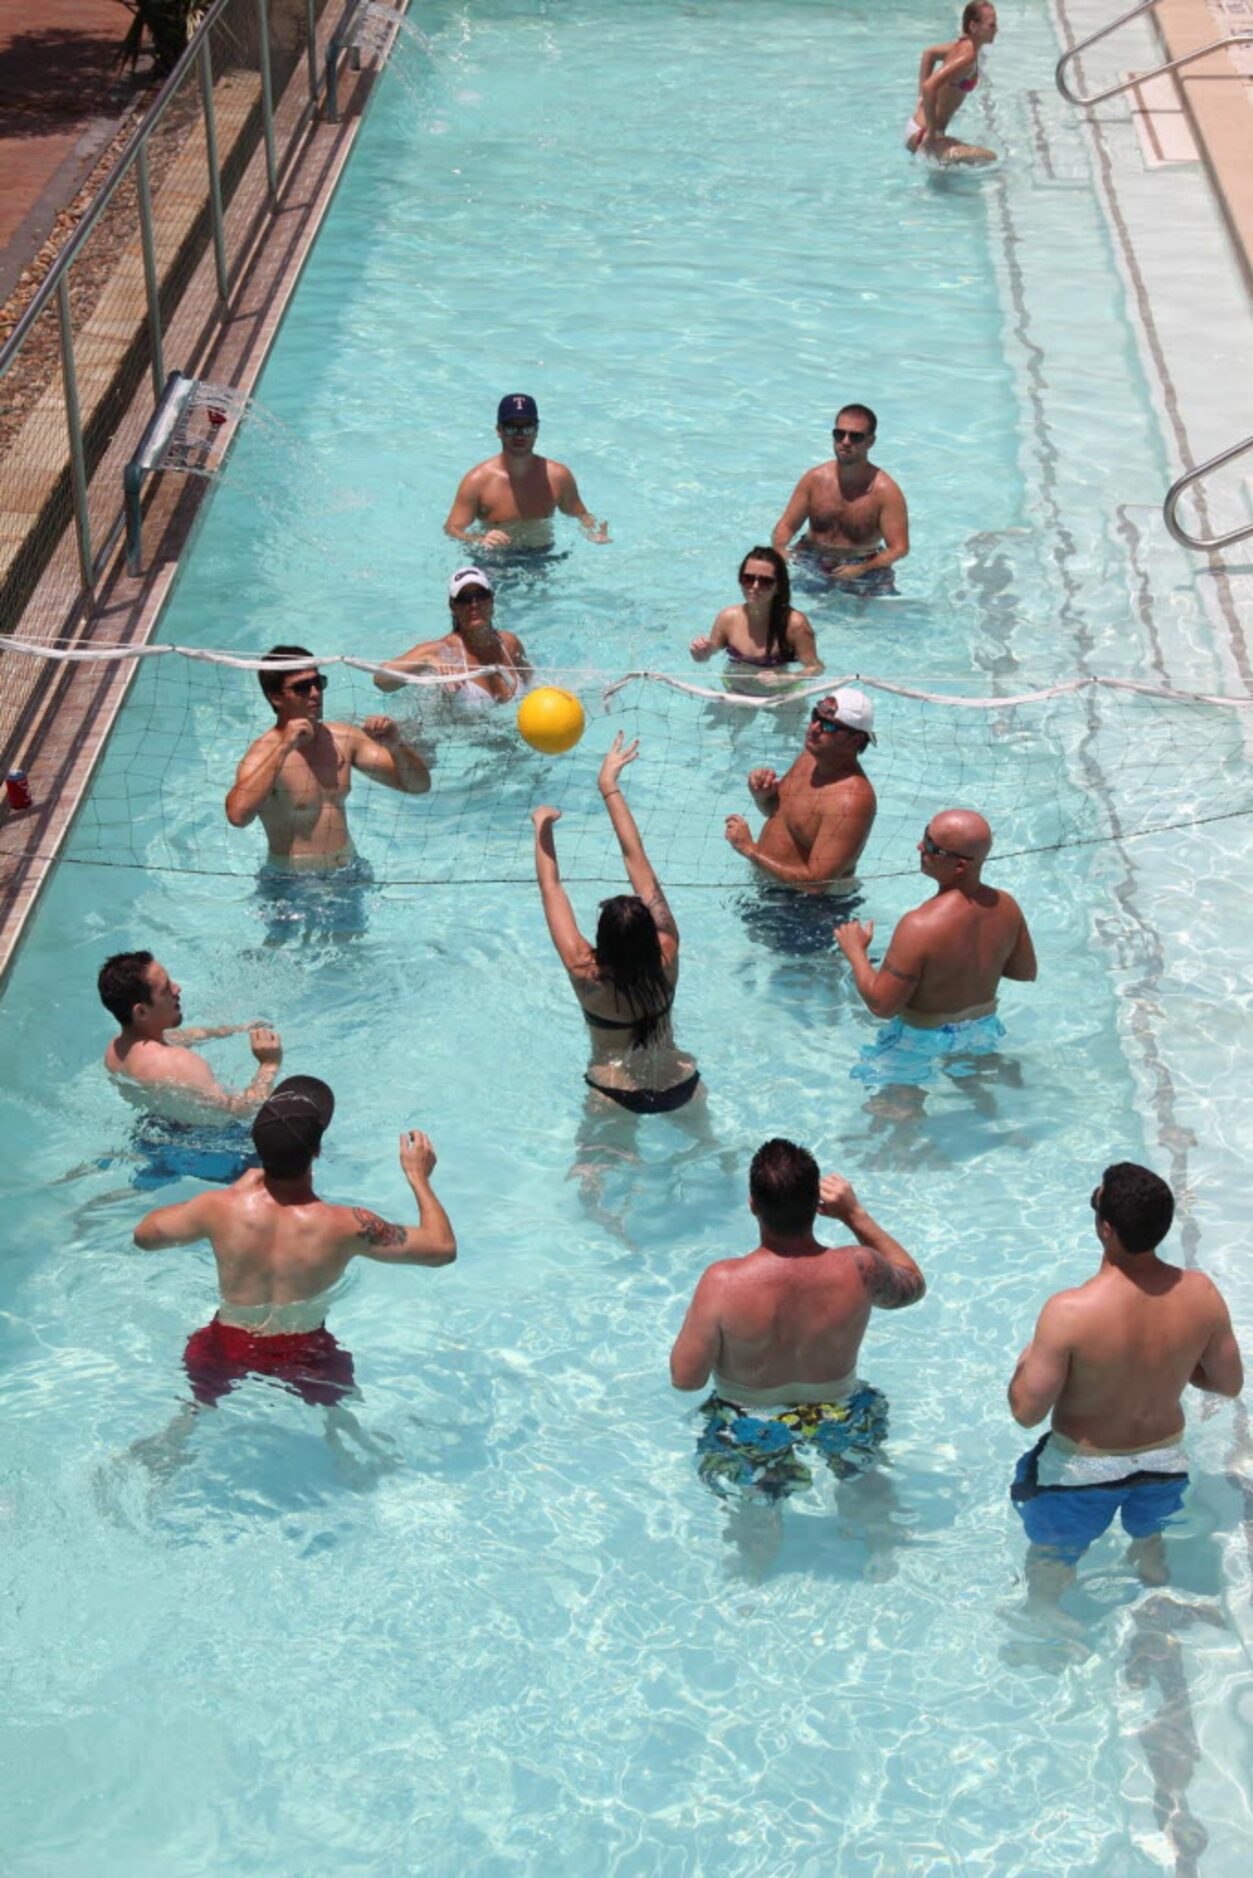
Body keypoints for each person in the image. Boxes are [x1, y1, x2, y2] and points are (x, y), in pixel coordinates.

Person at [133, 1076, 456, 1417]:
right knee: (341, 1421)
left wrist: (226, 1196)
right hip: (307, 1350)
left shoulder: (218, 1208)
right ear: (316, 1151)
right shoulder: (348, 1225)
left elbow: (144, 1236)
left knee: (192, 1413)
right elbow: (442, 1249)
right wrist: (418, 1177)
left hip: (226, 1343)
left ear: (258, 1149)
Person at [1008, 1163, 1242, 1593]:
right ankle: (1154, 1588)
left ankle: (1044, 1617)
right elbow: (1228, 1385)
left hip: (1082, 1468)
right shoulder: (1201, 1292)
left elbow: (1026, 1412)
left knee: (1053, 1558)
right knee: (1150, 1539)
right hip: (1164, 1461)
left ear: (1106, 1229)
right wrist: (1178, 1365)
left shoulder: (1069, 1311)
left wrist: (1024, 1363)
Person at [670, 1142, 925, 1507]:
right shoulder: (860, 1268)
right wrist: (855, 1215)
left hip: (750, 1424)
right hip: (842, 1412)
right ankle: (880, 1556)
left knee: (756, 1520)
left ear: (753, 1204)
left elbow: (686, 1379)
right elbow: (912, 1284)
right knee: (870, 1500)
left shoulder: (723, 1282)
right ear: (817, 1207)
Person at [531, 734, 700, 1114]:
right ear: (651, 937)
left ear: (600, 941)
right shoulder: (667, 953)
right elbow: (635, 857)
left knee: (593, 1169)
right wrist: (609, 787)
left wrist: (542, 825)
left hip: (612, 1090)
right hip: (679, 1080)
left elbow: (550, 887)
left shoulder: (584, 971)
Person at [836, 808, 1036, 1085]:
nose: (920, 847)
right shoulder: (1007, 906)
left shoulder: (919, 926)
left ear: (960, 866)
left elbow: (882, 1006)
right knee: (980, 1101)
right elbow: (1025, 971)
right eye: (925, 837)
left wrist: (855, 951)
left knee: (893, 1110)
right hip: (982, 1030)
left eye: (931, 846)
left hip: (921, 1037)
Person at [225, 646, 431, 872]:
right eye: (302, 687)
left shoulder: (343, 740)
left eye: (318, 683)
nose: (315, 693)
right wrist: (284, 747)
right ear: (276, 697)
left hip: (348, 870)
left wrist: (396, 745)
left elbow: (419, 786)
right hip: (291, 882)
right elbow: (237, 817)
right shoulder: (264, 754)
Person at [97, 951, 281, 1186]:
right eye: (165, 989)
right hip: (210, 1151)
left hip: (154, 1132)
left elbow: (183, 1036)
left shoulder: (116, 1049)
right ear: (141, 1011)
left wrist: (235, 1029)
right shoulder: (179, 1063)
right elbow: (242, 1110)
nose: (177, 988)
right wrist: (269, 1064)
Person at [725, 689, 877, 899]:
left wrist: (749, 849)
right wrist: (762, 796)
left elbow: (817, 883)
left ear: (855, 740)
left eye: (829, 725)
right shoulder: (809, 759)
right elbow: (777, 814)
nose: (814, 728)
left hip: (809, 910)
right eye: (816, 716)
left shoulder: (851, 800)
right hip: (771, 887)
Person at [443, 394, 609, 552]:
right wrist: (478, 540)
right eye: (511, 428)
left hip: (542, 555)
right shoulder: (478, 481)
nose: (520, 435)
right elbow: (452, 528)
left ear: (536, 431)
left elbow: (581, 515)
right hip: (495, 558)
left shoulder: (558, 477)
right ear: (499, 430)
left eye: (527, 428)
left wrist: (594, 533)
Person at [771, 406, 909, 595]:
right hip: (810, 556)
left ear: (870, 442)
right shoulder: (814, 479)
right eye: (839, 434)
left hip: (863, 563)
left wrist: (861, 569)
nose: (845, 442)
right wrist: (780, 549)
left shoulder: (886, 493)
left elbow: (899, 548)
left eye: (856, 436)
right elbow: (786, 525)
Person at [373, 567, 531, 708]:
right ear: (453, 607)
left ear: (491, 601)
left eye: (480, 595)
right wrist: (426, 661)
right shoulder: (440, 651)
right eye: (464, 599)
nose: (474, 604)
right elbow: (381, 681)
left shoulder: (510, 644)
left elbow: (530, 687)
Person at [689, 546, 822, 693]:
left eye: (765, 581)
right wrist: (699, 652)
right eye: (748, 579)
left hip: (782, 691)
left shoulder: (794, 624)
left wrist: (788, 678)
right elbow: (704, 658)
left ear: (778, 586)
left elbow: (815, 668)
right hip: (737, 687)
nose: (755, 586)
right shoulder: (728, 618)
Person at [906, 4, 999, 165]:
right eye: (991, 25)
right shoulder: (967, 56)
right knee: (990, 158)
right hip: (924, 135)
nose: (996, 29)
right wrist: (931, 134)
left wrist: (920, 101)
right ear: (973, 26)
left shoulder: (960, 46)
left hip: (918, 129)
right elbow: (930, 86)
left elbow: (929, 54)